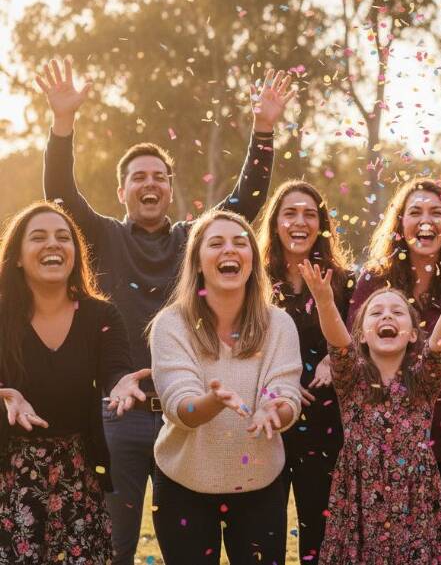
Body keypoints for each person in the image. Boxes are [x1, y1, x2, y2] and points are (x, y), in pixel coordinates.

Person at [36, 58, 295, 564]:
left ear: (171, 188)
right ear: (122, 190)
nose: (149, 184)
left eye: (159, 176)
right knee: (115, 545)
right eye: (138, 178)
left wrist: (262, 132)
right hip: (125, 416)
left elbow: (245, 202)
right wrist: (62, 125)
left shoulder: (193, 243)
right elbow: (62, 196)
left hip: (199, 419)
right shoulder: (105, 237)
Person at [347, 178, 441, 564]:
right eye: (415, 212)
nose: (425, 221)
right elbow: (356, 350)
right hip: (387, 449)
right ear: (400, 224)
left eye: (436, 213)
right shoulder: (373, 280)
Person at [148, 210, 302, 564]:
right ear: (198, 262)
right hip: (183, 483)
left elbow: (287, 393)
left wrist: (274, 410)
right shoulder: (171, 324)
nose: (229, 250)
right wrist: (212, 402)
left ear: (252, 260)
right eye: (215, 243)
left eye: (239, 242)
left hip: (259, 485)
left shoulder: (279, 324)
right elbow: (179, 406)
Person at [303, 259, 441, 563]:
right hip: (360, 495)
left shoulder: (424, 380)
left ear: (413, 334)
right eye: (376, 313)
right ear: (360, 335)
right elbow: (336, 339)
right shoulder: (351, 378)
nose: (387, 315)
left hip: (413, 495)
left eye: (398, 312)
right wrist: (324, 301)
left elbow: (440, 343)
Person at [0, 202, 150, 564]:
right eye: (39, 237)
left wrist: (120, 385)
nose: (53, 244)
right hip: (9, 475)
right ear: (18, 257)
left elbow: (116, 369)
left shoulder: (101, 314)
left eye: (63, 237)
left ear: (75, 253)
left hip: (79, 476)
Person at [257, 180, 355, 563]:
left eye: (309, 214)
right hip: (269, 420)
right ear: (276, 223)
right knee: (265, 534)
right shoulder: (256, 281)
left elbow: (361, 342)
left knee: (320, 532)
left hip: (326, 423)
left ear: (322, 224)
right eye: (290, 213)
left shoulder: (344, 281)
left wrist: (337, 355)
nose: (300, 222)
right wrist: (280, 389)